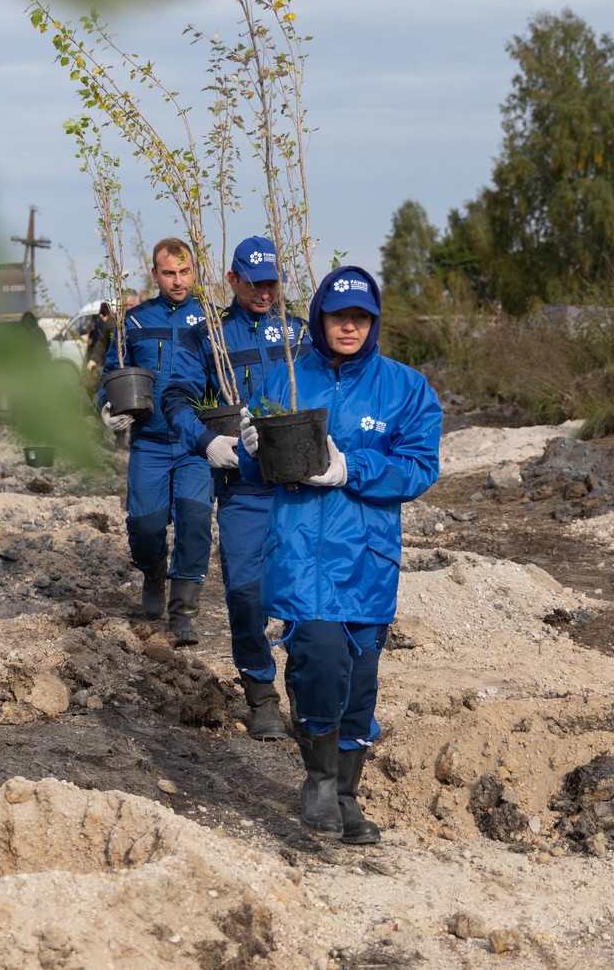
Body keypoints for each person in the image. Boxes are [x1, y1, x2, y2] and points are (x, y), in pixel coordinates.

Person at [237, 264, 442, 844]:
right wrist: (250, 449)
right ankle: (320, 780)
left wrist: (353, 467)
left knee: (361, 676)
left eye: (359, 317)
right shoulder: (285, 381)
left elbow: (421, 466)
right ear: (319, 318)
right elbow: (262, 470)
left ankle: (348, 793)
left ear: (373, 323)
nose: (347, 326)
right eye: (337, 316)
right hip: (301, 550)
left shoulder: (406, 388)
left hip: (368, 557)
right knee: (320, 657)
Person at [161, 235, 309, 737]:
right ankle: (261, 694)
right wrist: (205, 442)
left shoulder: (300, 333)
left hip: (300, 487)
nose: (264, 292)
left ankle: (308, 693)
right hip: (243, 488)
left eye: (272, 283)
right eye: (254, 283)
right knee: (246, 596)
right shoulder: (209, 336)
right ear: (232, 280)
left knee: (306, 596)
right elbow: (175, 397)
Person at [97, 238, 212, 642]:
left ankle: (183, 612)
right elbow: (112, 372)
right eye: (169, 273)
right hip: (149, 441)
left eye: (184, 272)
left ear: (195, 271)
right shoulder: (136, 322)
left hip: (197, 445)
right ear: (155, 275)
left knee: (195, 521)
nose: (177, 281)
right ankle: (152, 572)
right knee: (144, 528)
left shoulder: (212, 321)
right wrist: (106, 408)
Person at [85, 301, 114, 369]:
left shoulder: (97, 321)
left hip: (97, 354)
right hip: (102, 357)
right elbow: (102, 342)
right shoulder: (107, 323)